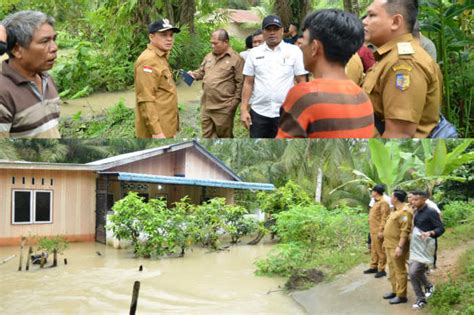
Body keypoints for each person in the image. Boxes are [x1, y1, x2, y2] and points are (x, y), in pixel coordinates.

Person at [276, 9, 374, 138]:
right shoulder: (363, 97)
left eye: (304, 41)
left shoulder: (304, 95)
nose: (300, 48)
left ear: (314, 47)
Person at [362, 0, 442, 138]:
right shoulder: (390, 57)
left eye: (372, 15)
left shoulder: (404, 63)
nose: (364, 21)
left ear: (396, 22)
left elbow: (399, 135)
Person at [241, 15, 307, 138]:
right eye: (268, 29)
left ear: (282, 31)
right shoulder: (254, 53)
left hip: (286, 113)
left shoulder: (294, 51)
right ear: (263, 32)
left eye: (275, 29)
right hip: (259, 113)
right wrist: (244, 109)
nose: (272, 33)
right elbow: (248, 83)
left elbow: (301, 82)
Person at [0, 10, 61, 138]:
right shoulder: (3, 93)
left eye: (54, 39)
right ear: (17, 50)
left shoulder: (47, 79)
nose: (54, 48)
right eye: (45, 41)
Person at [188, 29, 244, 138]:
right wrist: (193, 75)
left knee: (224, 136)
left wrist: (232, 105)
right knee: (207, 136)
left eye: (215, 43)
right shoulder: (209, 56)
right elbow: (202, 72)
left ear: (226, 42)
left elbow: (240, 84)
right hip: (206, 105)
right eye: (211, 43)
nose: (212, 46)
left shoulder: (236, 59)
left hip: (223, 107)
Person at [134, 19, 180, 139]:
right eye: (164, 35)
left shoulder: (161, 57)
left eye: (171, 35)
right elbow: (146, 100)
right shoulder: (148, 61)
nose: (169, 39)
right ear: (151, 37)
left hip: (167, 127)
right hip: (158, 133)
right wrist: (157, 133)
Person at [409, 191, 445, 309]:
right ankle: (428, 286)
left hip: (426, 247)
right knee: (414, 272)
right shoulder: (416, 211)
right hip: (416, 247)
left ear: (424, 199)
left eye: (416, 200)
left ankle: (421, 299)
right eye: (412, 199)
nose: (412, 201)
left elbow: (441, 228)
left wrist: (431, 232)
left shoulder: (431, 212)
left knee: (413, 272)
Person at [382, 189, 413, 304]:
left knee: (400, 270)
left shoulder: (405, 212)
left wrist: (400, 247)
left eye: (391, 196)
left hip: (397, 246)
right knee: (392, 269)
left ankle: (402, 295)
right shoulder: (395, 210)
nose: (390, 198)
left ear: (395, 198)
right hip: (389, 245)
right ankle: (395, 291)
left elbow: (405, 231)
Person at [364, 184, 390, 278]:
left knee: (380, 250)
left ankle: (381, 269)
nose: (371, 193)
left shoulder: (384, 202)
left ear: (375, 192)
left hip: (378, 229)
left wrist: (381, 230)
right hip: (372, 229)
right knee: (374, 250)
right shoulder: (375, 201)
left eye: (372, 191)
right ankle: (374, 266)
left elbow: (384, 217)